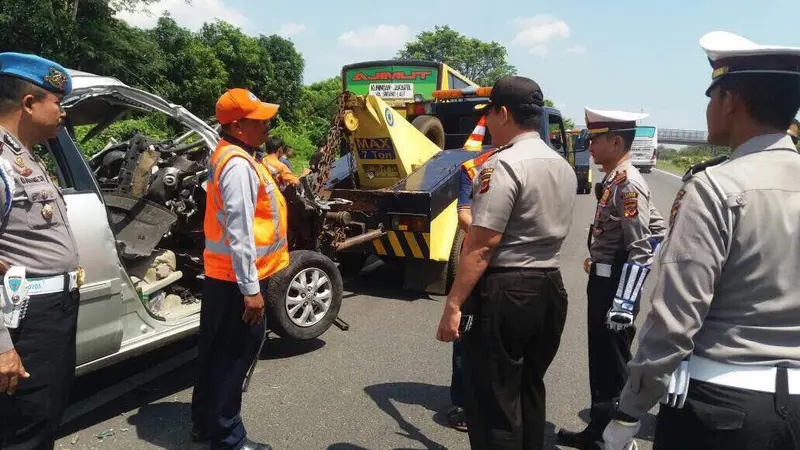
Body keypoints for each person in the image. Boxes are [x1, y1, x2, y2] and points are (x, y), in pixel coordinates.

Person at [601, 31, 800, 450]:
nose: (708, 110)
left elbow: (675, 319)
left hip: (724, 406)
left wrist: (629, 409)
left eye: (711, 97)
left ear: (730, 100)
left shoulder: (716, 187)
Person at [436, 75, 577, 450]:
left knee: (493, 400)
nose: (487, 125)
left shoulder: (501, 165)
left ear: (502, 113)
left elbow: (482, 246)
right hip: (550, 286)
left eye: (488, 117)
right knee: (530, 388)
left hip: (506, 291)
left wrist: (453, 304)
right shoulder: (561, 164)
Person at [557, 107, 666, 449]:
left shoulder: (629, 184)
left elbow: (642, 247)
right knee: (601, 361)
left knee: (614, 364)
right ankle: (597, 431)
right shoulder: (615, 180)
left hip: (616, 287)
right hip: (604, 282)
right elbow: (658, 227)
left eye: (595, 139)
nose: (589, 146)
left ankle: (618, 439)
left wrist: (624, 299)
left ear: (616, 141)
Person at [191, 88, 289, 450]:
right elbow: (240, 231)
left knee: (215, 356)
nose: (267, 125)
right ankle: (227, 438)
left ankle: (205, 427)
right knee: (233, 361)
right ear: (236, 125)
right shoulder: (237, 164)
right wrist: (251, 290)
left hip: (225, 277)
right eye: (258, 120)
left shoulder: (236, 156)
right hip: (238, 282)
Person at [0, 52, 84, 449]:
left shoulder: (25, 157)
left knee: (44, 418)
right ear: (30, 104)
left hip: (50, 313)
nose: (63, 112)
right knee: (24, 430)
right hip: (25, 319)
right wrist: (2, 349)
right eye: (58, 102)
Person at [445, 143, 499, 433]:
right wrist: (488, 235)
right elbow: (463, 214)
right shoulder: (473, 167)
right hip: (476, 258)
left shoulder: (527, 164)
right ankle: (462, 401)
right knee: (464, 334)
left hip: (511, 266)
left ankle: (496, 397)